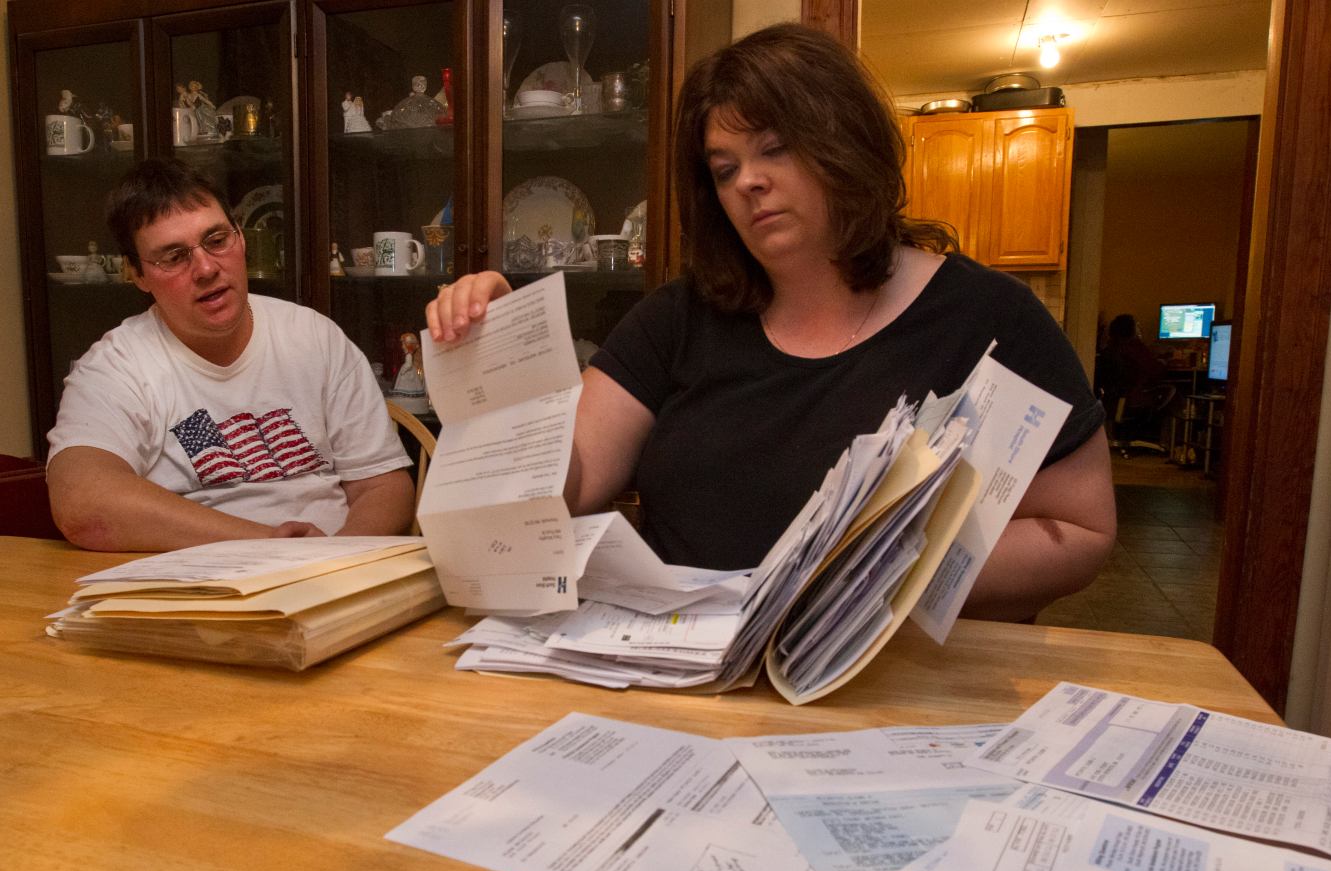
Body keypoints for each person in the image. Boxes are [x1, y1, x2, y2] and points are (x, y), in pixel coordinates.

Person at [426, 24, 1115, 621]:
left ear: (846, 142)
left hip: (894, 682)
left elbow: (1080, 530)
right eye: (725, 170)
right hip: (690, 676)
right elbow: (564, 488)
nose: (748, 182)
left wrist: (882, 577)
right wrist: (502, 357)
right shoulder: (678, 318)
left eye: (775, 148)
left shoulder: (991, 319)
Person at [47, 158, 415, 551]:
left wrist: (337, 561)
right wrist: (272, 545)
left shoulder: (314, 335)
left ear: (240, 238)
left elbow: (383, 484)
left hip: (336, 574)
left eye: (217, 240)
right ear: (137, 275)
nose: (205, 268)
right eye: (173, 257)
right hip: (202, 587)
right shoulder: (114, 367)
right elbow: (83, 506)